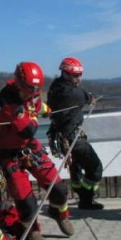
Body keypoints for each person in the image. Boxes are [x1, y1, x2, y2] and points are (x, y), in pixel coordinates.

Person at [0, 61, 74, 240]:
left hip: (28, 147)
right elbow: (27, 129)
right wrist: (35, 117)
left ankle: (59, 212)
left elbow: (37, 105)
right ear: (20, 83)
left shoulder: (31, 93)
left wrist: (48, 110)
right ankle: (30, 230)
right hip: (9, 154)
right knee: (26, 201)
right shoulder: (8, 101)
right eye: (31, 89)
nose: (34, 92)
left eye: (37, 88)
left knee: (58, 187)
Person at [47, 57, 104, 210]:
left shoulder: (55, 87)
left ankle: (82, 195)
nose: (78, 78)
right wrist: (90, 97)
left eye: (80, 75)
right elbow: (83, 95)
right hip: (72, 137)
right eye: (75, 75)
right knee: (95, 168)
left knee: (76, 169)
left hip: (63, 135)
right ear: (65, 74)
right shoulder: (71, 93)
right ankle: (86, 200)